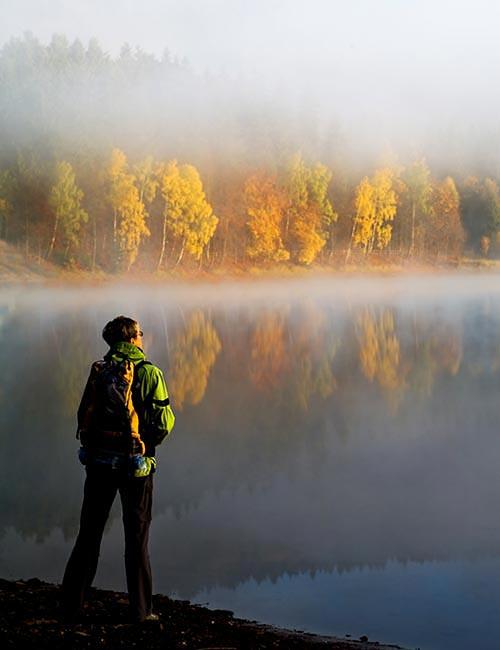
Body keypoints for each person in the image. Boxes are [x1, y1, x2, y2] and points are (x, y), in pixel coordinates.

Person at [61, 315, 175, 623]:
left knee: (89, 535)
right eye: (140, 332)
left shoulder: (100, 370)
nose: (142, 336)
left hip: (98, 463)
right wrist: (147, 444)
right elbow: (164, 422)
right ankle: (141, 610)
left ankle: (71, 605)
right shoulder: (149, 372)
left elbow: (83, 414)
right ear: (132, 339)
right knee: (136, 539)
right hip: (136, 466)